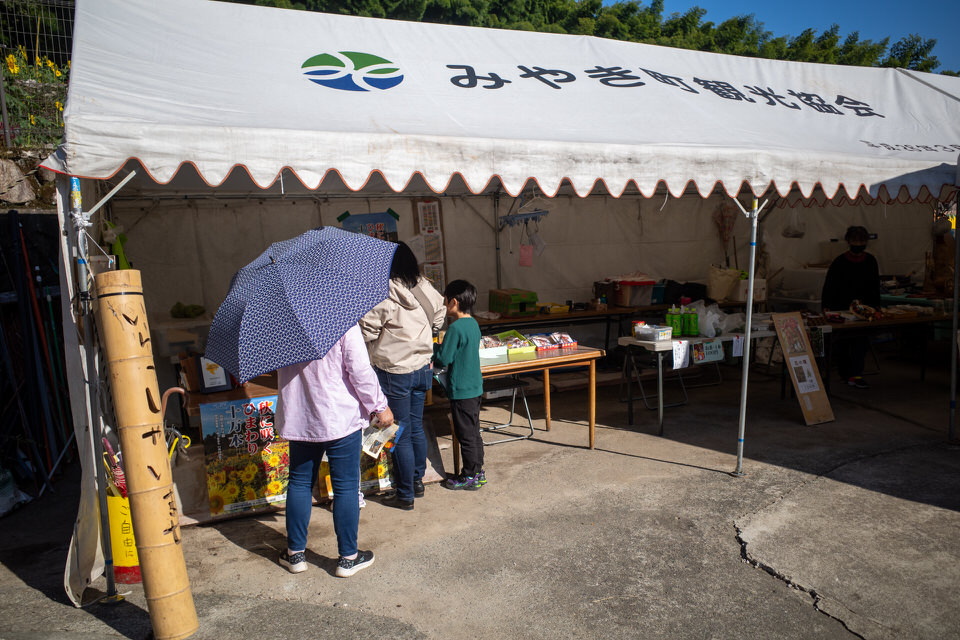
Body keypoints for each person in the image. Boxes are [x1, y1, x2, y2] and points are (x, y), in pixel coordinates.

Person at [275, 324, 394, 577]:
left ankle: (295, 554)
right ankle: (348, 558)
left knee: (299, 483)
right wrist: (379, 406)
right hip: (340, 418)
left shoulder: (282, 326)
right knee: (346, 487)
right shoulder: (340, 320)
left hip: (300, 417)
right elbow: (360, 370)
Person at [359, 242, 445, 510]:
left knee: (401, 433)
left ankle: (406, 493)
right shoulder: (424, 286)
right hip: (422, 370)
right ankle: (417, 482)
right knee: (416, 426)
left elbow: (366, 332)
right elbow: (440, 317)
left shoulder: (383, 293)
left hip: (394, 372)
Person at [432, 279, 486, 490]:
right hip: (474, 387)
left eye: (445, 301)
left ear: (453, 301)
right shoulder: (473, 323)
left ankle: (469, 474)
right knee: (473, 432)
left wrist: (433, 347)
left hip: (461, 390)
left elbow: (444, 358)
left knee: (466, 435)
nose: (445, 305)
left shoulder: (455, 328)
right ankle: (478, 471)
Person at [821, 225, 881, 389]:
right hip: (840, 309)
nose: (859, 244)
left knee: (860, 342)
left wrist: (876, 307)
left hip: (864, 311)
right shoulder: (839, 262)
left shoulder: (871, 261)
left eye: (862, 241)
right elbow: (829, 286)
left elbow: (875, 285)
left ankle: (856, 375)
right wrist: (826, 306)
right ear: (848, 241)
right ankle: (845, 374)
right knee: (843, 344)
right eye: (855, 240)